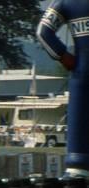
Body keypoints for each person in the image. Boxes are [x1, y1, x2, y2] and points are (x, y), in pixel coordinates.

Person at [37, 0, 89, 177]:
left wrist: (64, 57)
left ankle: (77, 167)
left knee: (78, 161)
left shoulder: (66, 2)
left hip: (82, 72)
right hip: (81, 69)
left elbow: (43, 33)